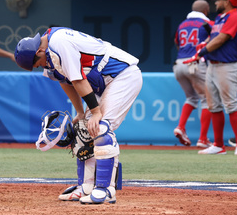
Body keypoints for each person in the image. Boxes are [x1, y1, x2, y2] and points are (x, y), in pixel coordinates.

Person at [14, 26, 142, 204]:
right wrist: (81, 112)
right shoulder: (48, 53)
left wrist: (96, 113)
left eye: (38, 63)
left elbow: (78, 79)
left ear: (40, 50)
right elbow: (65, 81)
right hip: (100, 84)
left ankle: (107, 189)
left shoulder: (58, 43)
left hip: (122, 75)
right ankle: (86, 187)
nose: (40, 66)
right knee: (83, 131)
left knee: (100, 128)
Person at [185, 0, 237, 156]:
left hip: (227, 65)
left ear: (227, 1)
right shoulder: (220, 18)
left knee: (231, 104)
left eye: (219, 0)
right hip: (213, 64)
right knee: (214, 106)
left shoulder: (235, 16)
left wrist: (202, 52)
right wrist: (202, 49)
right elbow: (213, 37)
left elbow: (222, 38)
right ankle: (219, 145)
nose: (216, 2)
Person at [172, 0, 212, 148]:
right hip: (195, 64)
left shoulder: (182, 24)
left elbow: (177, 43)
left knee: (191, 97)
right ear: (206, 11)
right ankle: (203, 138)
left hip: (179, 64)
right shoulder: (207, 23)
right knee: (207, 100)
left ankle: (181, 127)